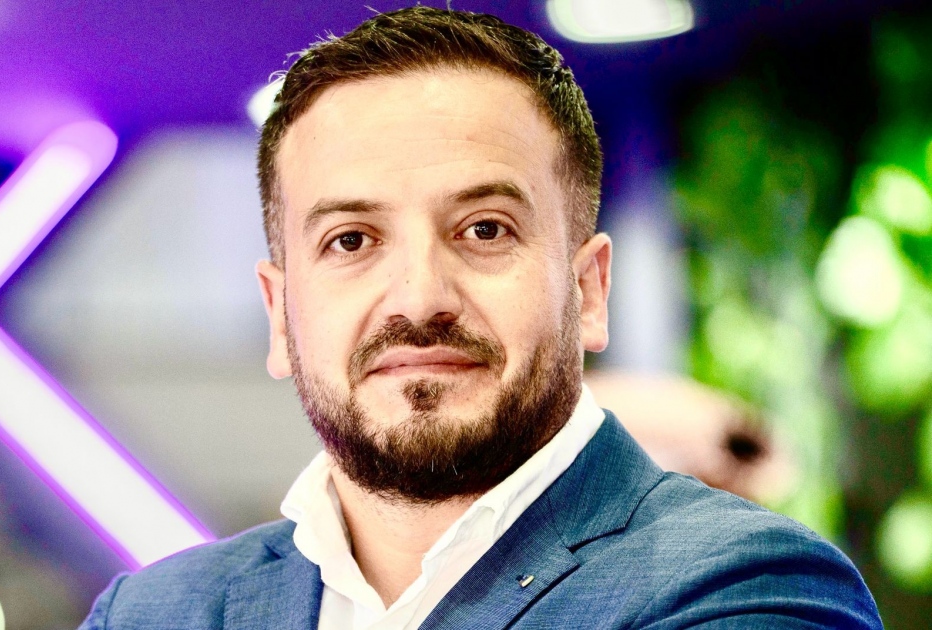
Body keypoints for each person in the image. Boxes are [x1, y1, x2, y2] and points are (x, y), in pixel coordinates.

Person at [80, 7, 881, 629]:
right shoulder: (151, 613)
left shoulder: (746, 586)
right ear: (281, 316)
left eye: (485, 230)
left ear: (589, 290)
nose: (418, 296)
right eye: (350, 239)